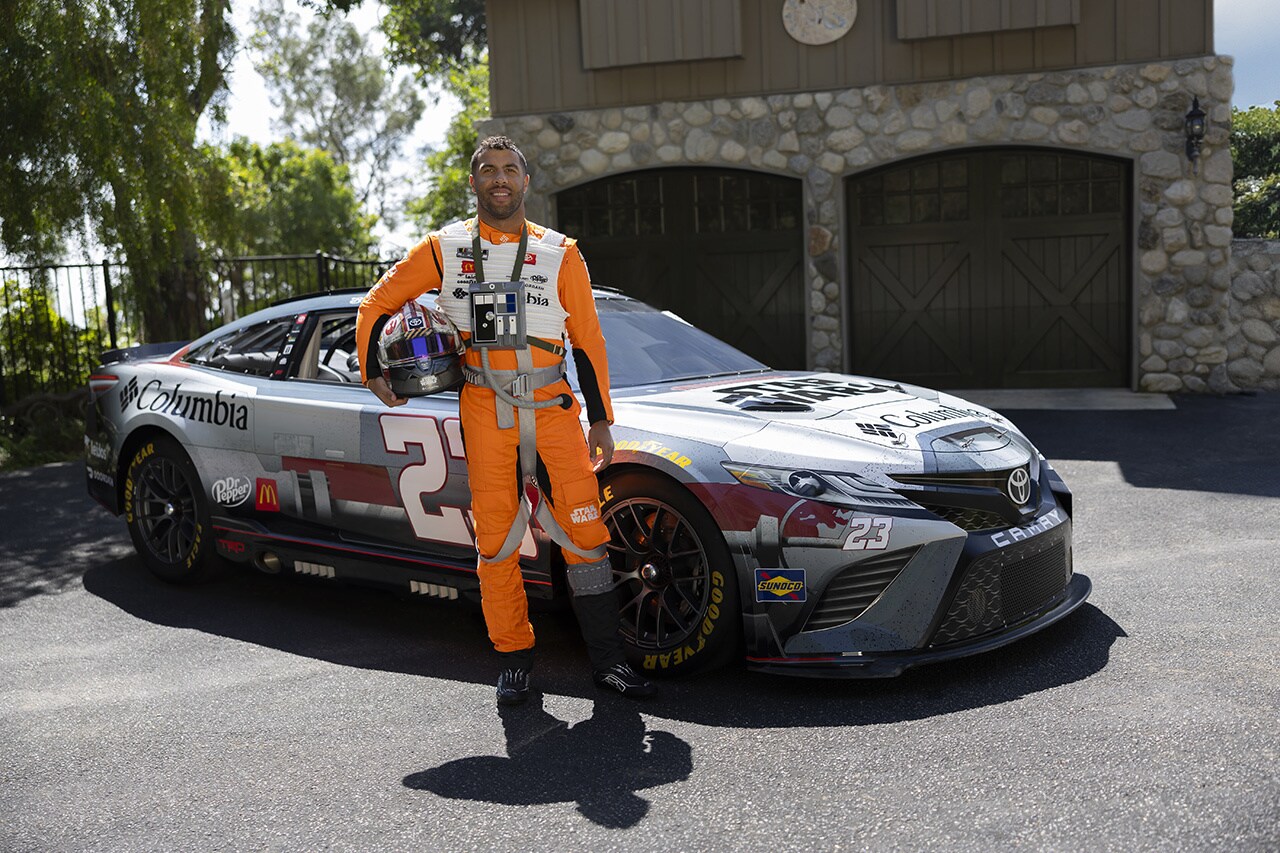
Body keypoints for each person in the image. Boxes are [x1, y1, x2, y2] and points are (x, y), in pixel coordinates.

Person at [355, 135, 654, 705]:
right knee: (495, 540)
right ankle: (514, 660)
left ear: (524, 181)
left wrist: (602, 420)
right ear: (473, 183)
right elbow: (375, 304)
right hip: (483, 408)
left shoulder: (561, 251)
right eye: (488, 170)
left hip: (554, 411)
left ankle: (610, 663)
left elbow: (589, 342)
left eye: (510, 169)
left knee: (587, 535)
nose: (499, 178)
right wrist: (373, 372)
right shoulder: (444, 249)